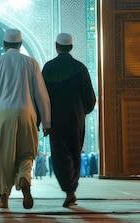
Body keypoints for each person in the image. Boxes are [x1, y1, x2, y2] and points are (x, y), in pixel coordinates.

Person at [0, 29, 51, 209]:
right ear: (20, 45)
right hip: (28, 113)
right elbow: (41, 94)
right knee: (27, 153)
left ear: (4, 45)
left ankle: (4, 199)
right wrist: (46, 122)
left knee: (2, 157)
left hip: (3, 114)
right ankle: (24, 178)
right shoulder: (31, 63)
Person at [42, 32, 96, 208]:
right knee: (74, 154)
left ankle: (69, 189)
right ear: (71, 48)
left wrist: (44, 119)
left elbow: (42, 97)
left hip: (56, 120)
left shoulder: (49, 67)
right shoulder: (80, 68)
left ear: (56, 47)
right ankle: (71, 188)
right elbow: (91, 99)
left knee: (60, 155)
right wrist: (82, 112)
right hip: (76, 119)